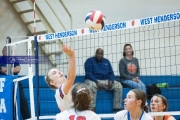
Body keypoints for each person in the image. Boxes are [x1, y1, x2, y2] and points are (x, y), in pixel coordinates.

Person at [84, 48, 123, 112]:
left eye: (101, 54)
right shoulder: (89, 61)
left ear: (103, 54)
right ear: (95, 53)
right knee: (91, 85)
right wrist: (96, 82)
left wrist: (111, 80)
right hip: (92, 80)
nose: (99, 55)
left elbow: (111, 73)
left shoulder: (106, 61)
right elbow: (89, 74)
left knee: (118, 85)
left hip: (105, 80)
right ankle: (91, 108)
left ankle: (117, 108)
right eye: (98, 53)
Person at [0, 46, 31, 119]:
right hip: (3, 85)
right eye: (6, 51)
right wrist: (11, 69)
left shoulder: (14, 59)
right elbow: (2, 70)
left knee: (22, 101)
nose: (8, 53)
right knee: (5, 102)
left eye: (9, 52)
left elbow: (18, 69)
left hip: (15, 83)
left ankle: (27, 118)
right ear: (2, 52)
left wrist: (7, 69)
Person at [45, 44, 76, 112]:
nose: (59, 72)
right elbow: (71, 77)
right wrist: (71, 54)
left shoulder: (69, 88)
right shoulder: (60, 90)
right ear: (52, 82)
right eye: (54, 73)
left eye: (59, 71)